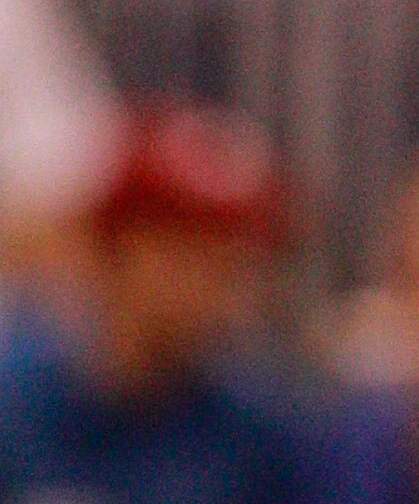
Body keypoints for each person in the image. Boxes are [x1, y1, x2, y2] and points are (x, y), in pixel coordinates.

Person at [0, 102, 301, 504]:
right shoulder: (14, 409)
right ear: (114, 250)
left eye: (235, 261)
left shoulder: (260, 433)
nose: (222, 288)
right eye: (192, 252)